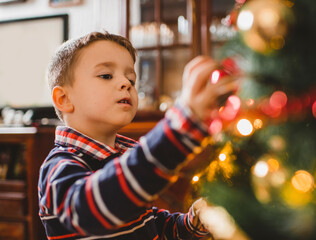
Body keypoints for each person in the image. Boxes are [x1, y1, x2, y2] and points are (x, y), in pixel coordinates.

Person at [38, 31, 239, 239]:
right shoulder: (59, 167)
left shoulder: (123, 158)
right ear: (63, 98)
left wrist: (188, 224)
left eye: (131, 79)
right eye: (106, 75)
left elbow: (149, 225)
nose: (126, 83)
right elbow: (97, 207)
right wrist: (176, 131)